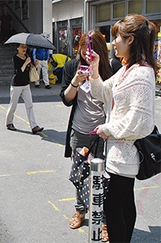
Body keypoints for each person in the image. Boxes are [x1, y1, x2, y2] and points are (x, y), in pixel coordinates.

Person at [89, 14, 157, 242]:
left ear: (130, 40)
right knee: (125, 202)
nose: (113, 42)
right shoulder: (126, 69)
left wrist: (108, 129)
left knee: (112, 206)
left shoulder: (141, 73)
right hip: (118, 153)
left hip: (127, 155)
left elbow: (141, 121)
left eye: (116, 37)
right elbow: (100, 93)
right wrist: (95, 68)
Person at [60, 30, 122, 241]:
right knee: (80, 174)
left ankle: (103, 218)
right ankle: (81, 210)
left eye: (93, 49)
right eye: (85, 49)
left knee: (104, 178)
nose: (88, 53)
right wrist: (76, 81)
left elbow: (118, 98)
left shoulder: (112, 67)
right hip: (80, 131)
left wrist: (97, 75)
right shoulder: (71, 66)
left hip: (104, 134)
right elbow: (67, 100)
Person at [6, 44, 44, 134]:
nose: (24, 49)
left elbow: (29, 70)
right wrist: (26, 62)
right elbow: (18, 72)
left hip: (26, 84)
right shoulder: (15, 58)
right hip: (16, 85)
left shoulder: (28, 56)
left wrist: (35, 65)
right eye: (22, 47)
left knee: (29, 105)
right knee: (13, 105)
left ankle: (34, 126)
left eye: (25, 47)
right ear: (17, 48)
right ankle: (9, 122)